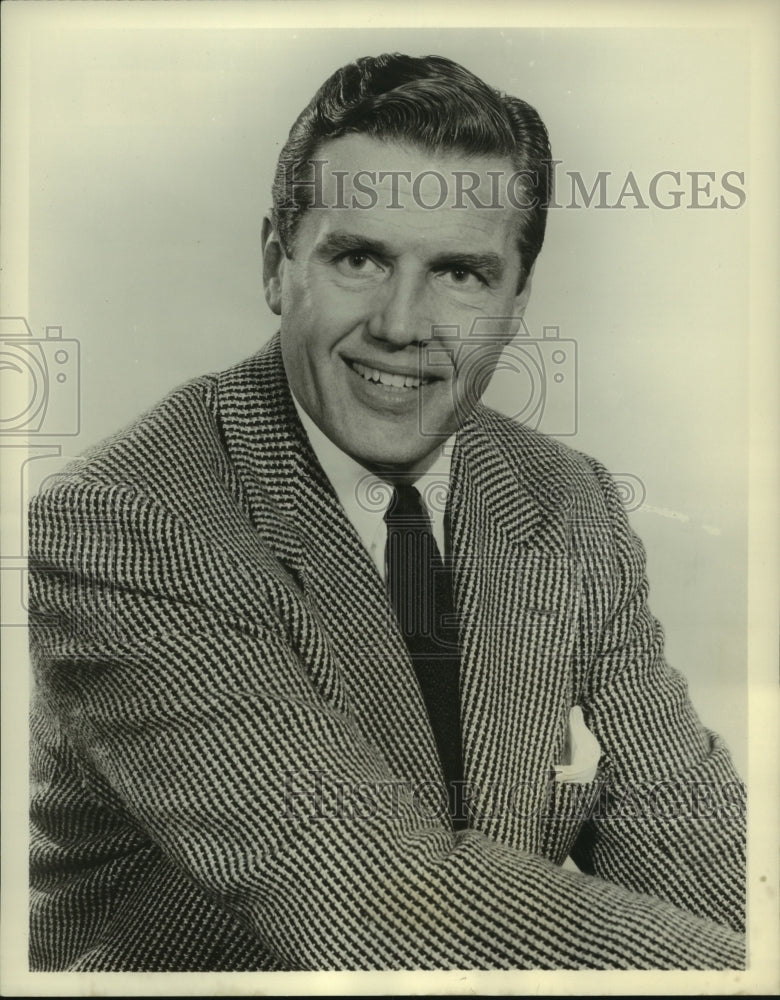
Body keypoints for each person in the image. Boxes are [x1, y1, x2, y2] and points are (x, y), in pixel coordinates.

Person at [28, 53, 745, 971]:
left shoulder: (567, 502)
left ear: (517, 302)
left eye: (460, 273)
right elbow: (370, 890)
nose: (403, 324)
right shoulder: (125, 522)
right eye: (359, 257)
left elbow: (683, 824)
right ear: (276, 267)